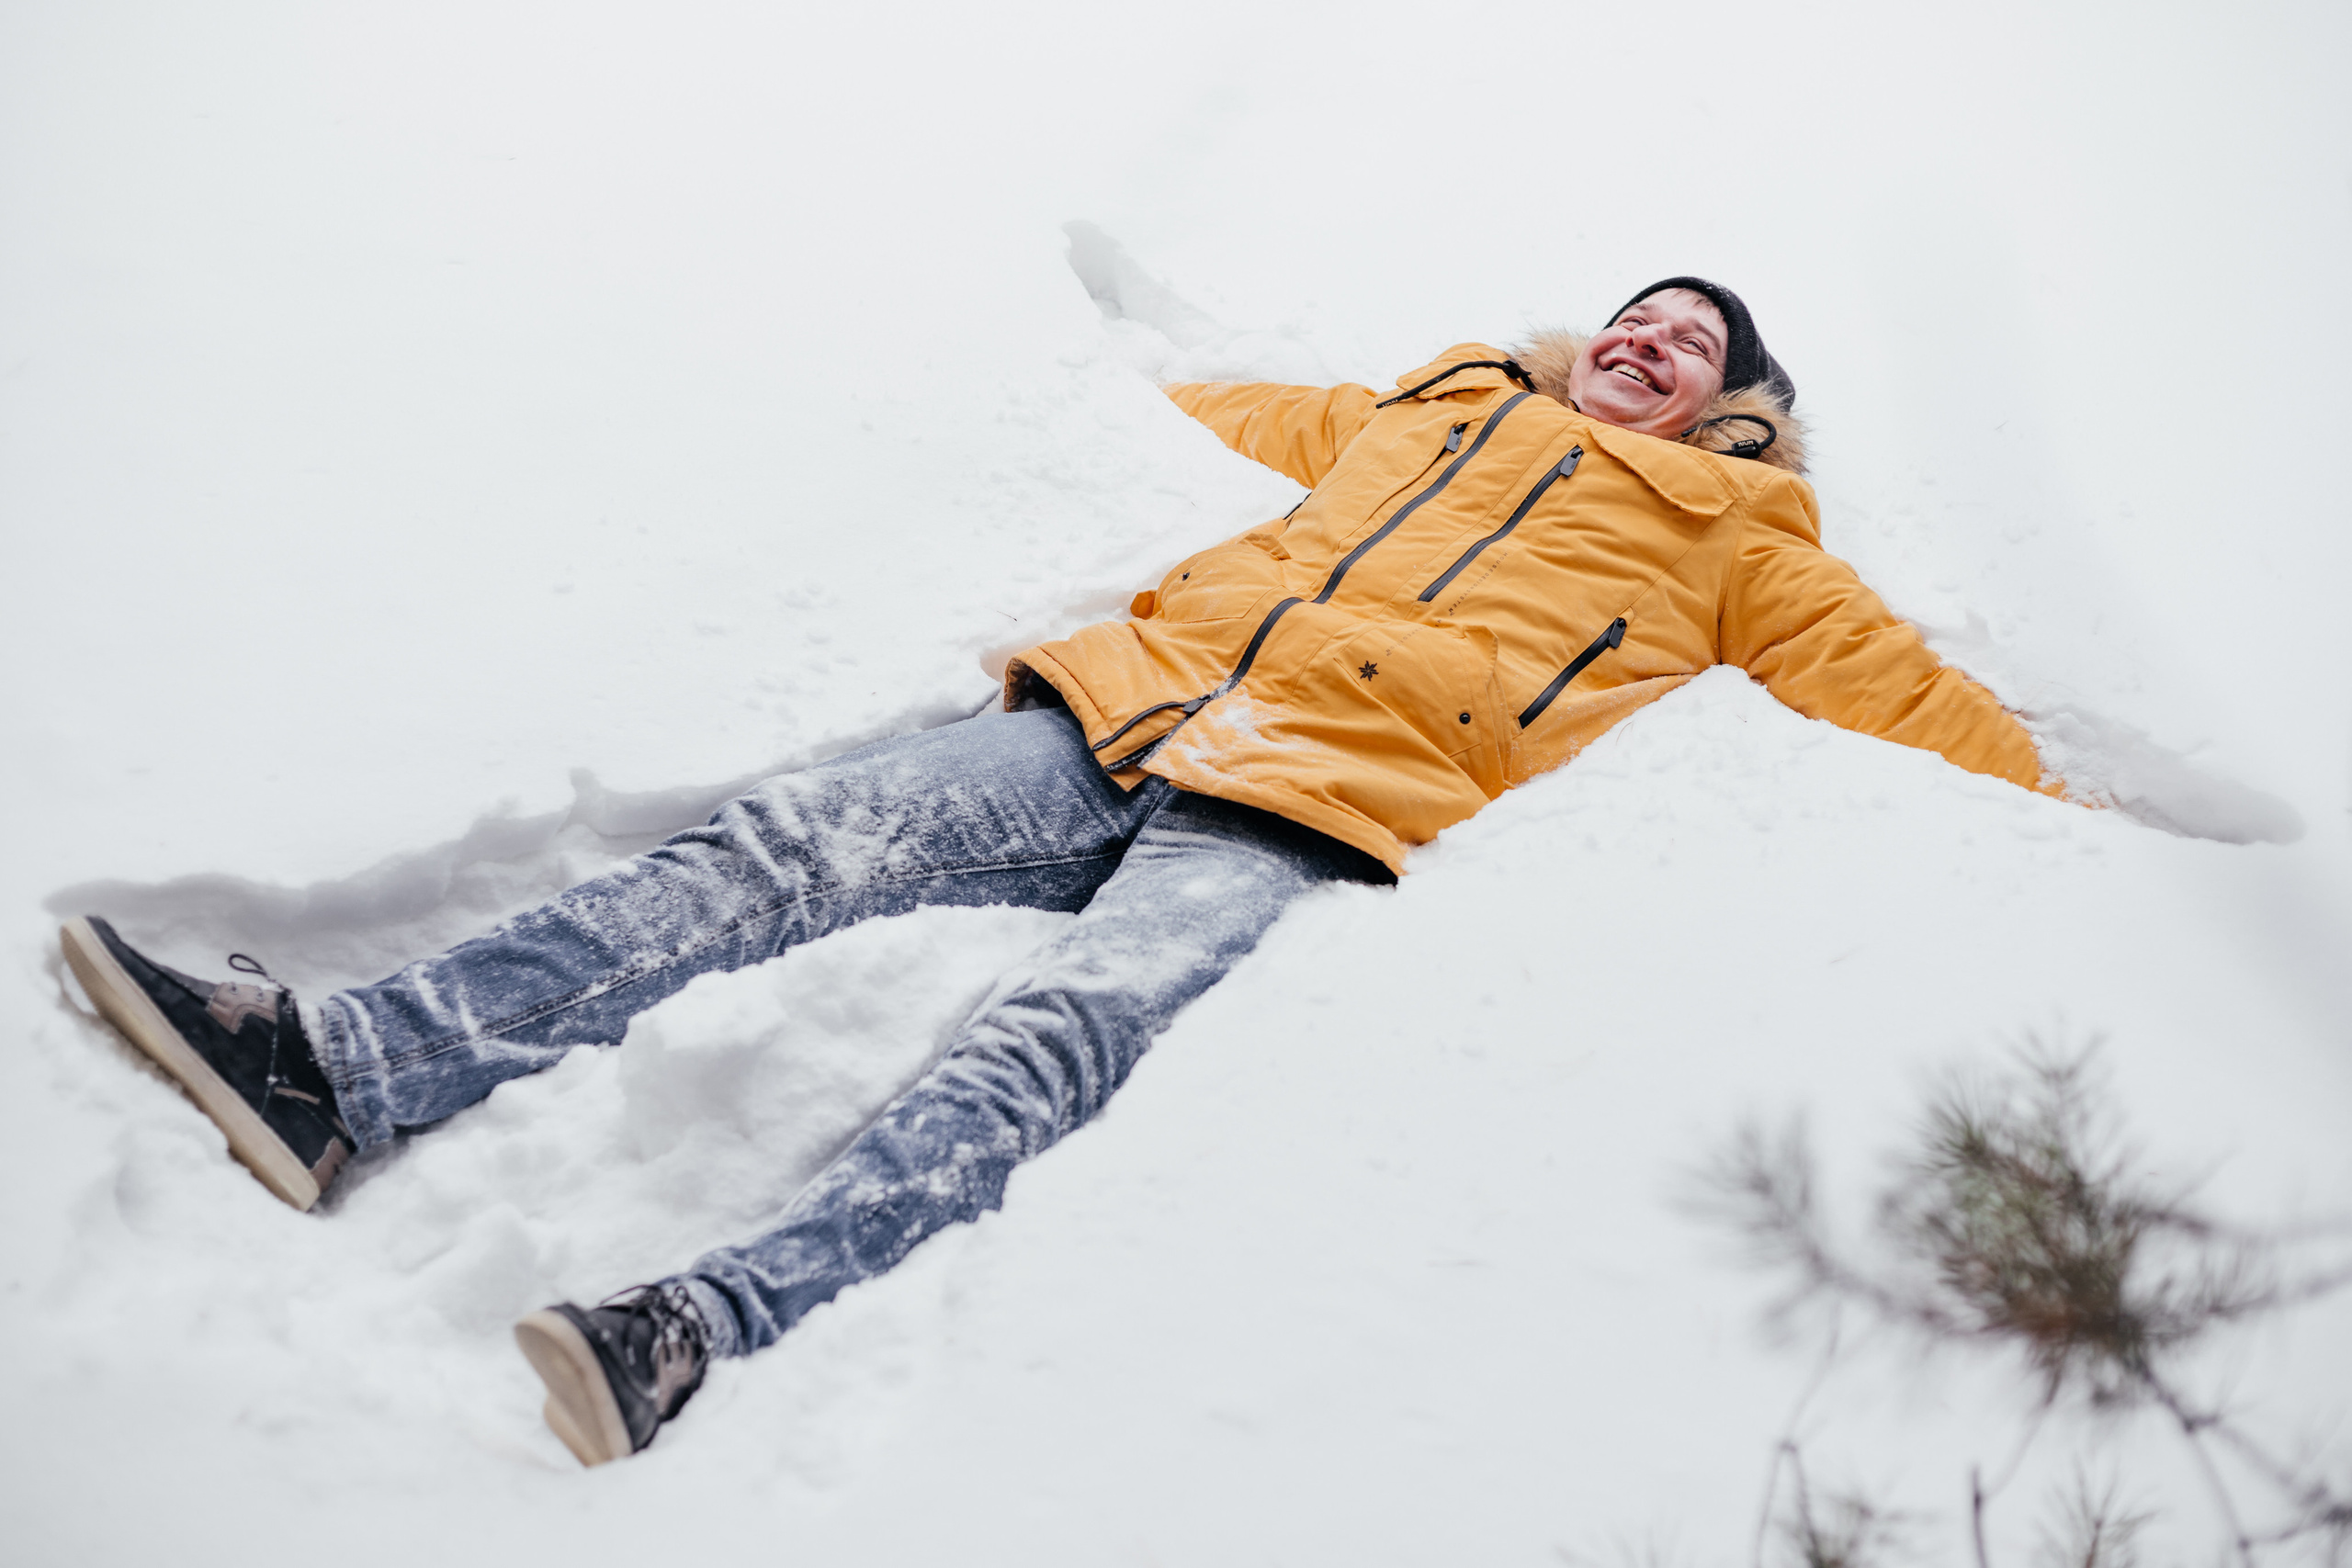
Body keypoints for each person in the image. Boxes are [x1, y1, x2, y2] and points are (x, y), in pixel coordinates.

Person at [59, 276, 2062, 1467]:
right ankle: (346, 1062)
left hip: (1323, 796)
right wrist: (981, 319)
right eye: (1631, 312)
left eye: (1689, 340)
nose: (1646, 339)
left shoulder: (1745, 547)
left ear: (1731, 403)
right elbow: (1154, 404)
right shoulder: (1422, 408)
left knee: (1045, 1049)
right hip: (1127, 703)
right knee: (779, 841)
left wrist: (2123, 848)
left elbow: (1914, 702)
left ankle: (697, 1326)